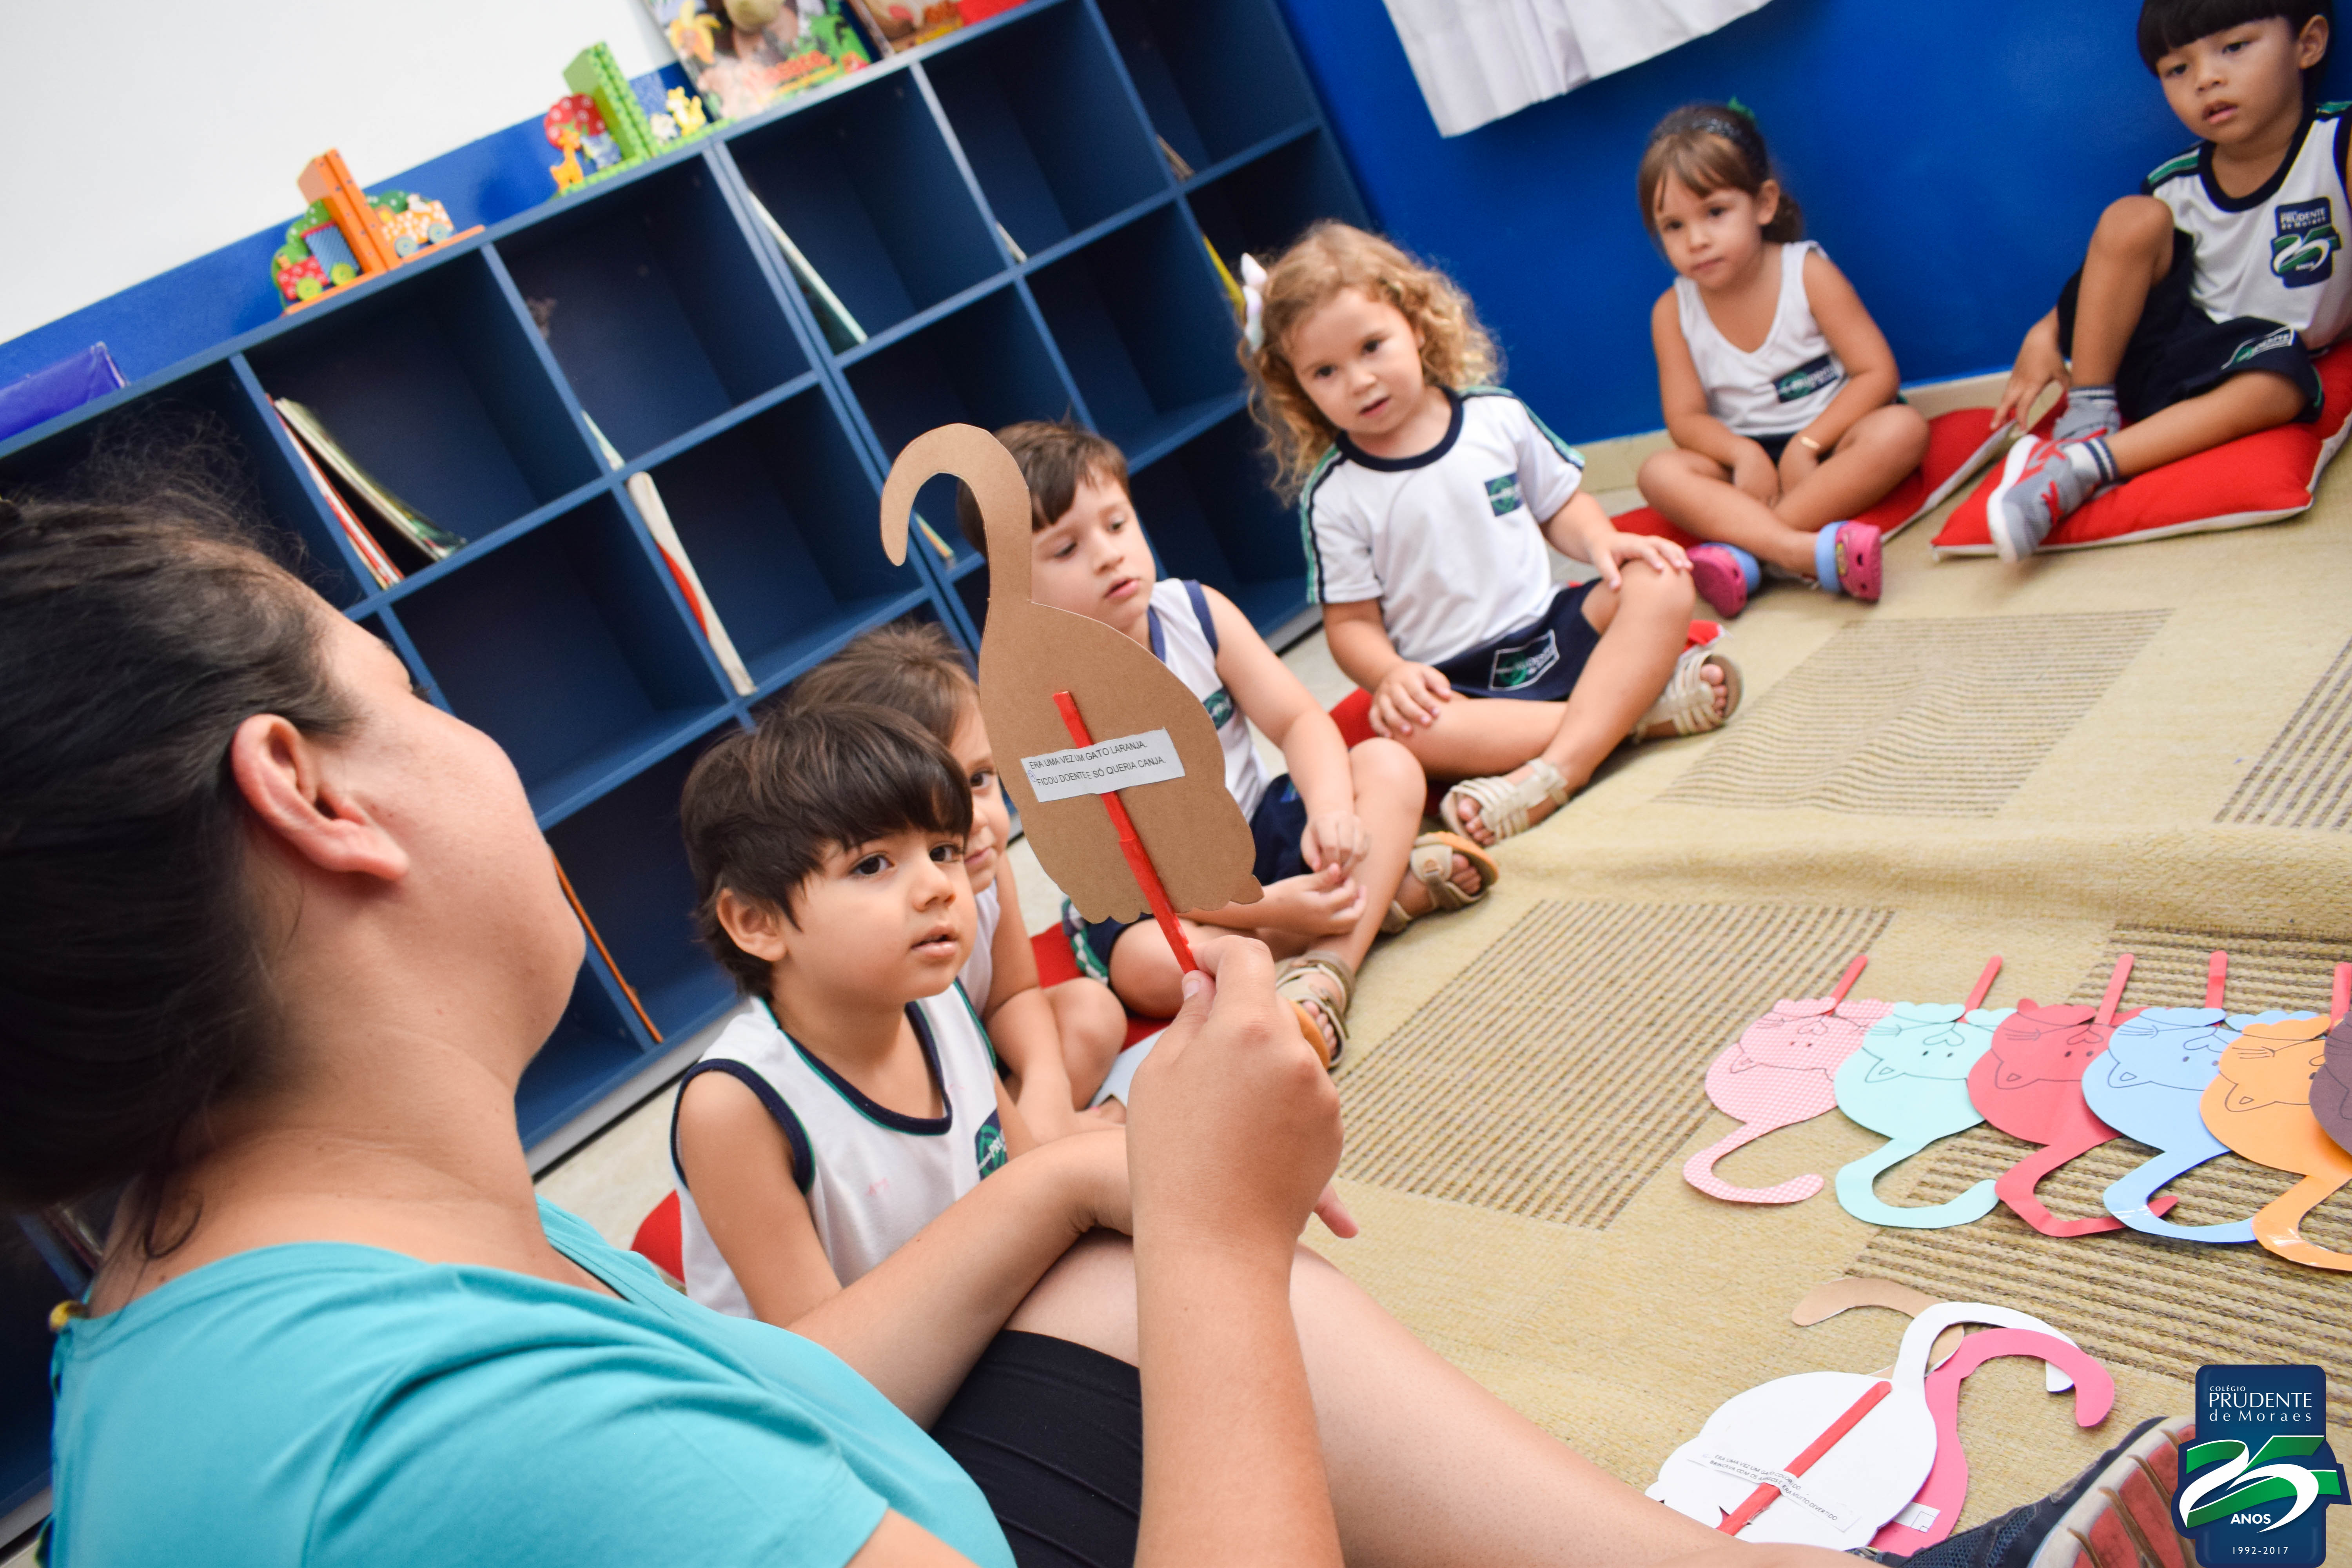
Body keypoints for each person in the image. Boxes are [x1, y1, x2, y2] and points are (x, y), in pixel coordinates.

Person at [3, 453, 2191, 1568]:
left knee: (1112, 1239)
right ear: (310, 799)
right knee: (1177, 1270)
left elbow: (792, 1383)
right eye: (408, 693)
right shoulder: (429, 1449)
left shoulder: (323, 1255)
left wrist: (1079, 1169)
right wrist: (1224, 1238)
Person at [955, 419, 1497, 1064]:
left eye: (1117, 524)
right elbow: (1133, 872)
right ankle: (1374, 902)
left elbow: (1299, 722)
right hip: (1156, 897)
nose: (1107, 554)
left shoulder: (1194, 611)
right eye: (1066, 549)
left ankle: (1322, 966)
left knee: (1387, 764)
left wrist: (1329, 812)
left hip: (1256, 832)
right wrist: (1270, 906)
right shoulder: (1043, 710)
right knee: (1149, 970)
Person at [1242, 221, 1740, 850]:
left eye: (1373, 347)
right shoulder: (1335, 495)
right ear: (1301, 388)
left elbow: (1562, 507)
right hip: (1459, 686)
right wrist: (1391, 672)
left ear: (1416, 327)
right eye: (1326, 372)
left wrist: (1601, 543)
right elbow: (1350, 626)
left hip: (1557, 631)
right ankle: (1631, 716)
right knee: (1401, 734)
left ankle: (1560, 765)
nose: (1360, 381)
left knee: (1662, 579)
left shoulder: (1495, 418)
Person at [670, 702, 1052, 1321]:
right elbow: (834, 1370)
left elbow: (1032, 1175)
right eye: (873, 865)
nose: (939, 888)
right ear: (757, 922)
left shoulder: (936, 999)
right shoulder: (736, 1106)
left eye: (943, 850)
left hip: (982, 1321)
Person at [1985, 0, 2343, 562]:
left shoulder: (2336, 147)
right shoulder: (2173, 185)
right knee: (2132, 216)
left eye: (2235, 47)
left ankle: (2084, 467)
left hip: (2259, 365)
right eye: (2178, 69)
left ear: (2308, 44)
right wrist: (2045, 333)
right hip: (2162, 358)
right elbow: (2110, 277)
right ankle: (2087, 419)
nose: (2207, 79)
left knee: (2283, 379)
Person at [788, 623, 1129, 1134]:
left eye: (979, 779)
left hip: (980, 1063)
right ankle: (1025, 1165)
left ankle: (1033, 1148)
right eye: (934, 803)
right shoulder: (884, 925)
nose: (976, 819)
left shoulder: (987, 864)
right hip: (911, 1103)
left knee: (1091, 1013)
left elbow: (1013, 994)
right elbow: (913, 1080)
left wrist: (1046, 1088)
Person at [1632, 103, 1928, 615]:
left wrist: (1809, 444)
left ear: (1764, 204)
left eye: (1715, 213)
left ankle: (1748, 551)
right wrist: (1745, 456)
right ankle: (1796, 550)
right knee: (1659, 473)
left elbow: (1876, 373)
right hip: (1745, 463)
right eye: (1674, 226)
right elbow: (1685, 418)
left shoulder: (1806, 272)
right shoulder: (1671, 311)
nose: (1696, 240)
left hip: (1832, 441)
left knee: (1903, 430)